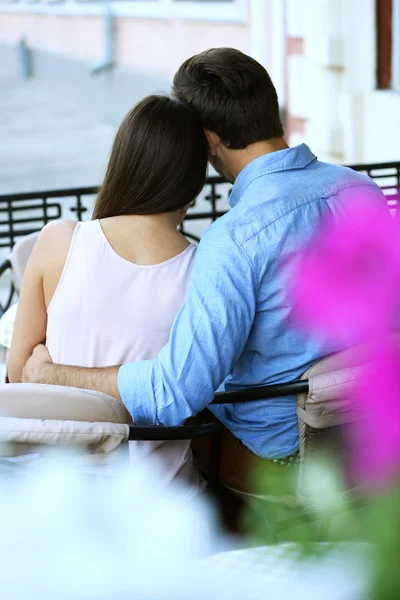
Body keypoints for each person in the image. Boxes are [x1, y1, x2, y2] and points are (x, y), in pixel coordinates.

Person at [21, 48, 389, 493]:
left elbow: (172, 395)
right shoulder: (363, 191)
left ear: (209, 141)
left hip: (286, 463)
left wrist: (52, 375)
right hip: (374, 436)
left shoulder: (233, 240)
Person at [8, 94, 208, 491]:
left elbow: (19, 376)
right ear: (193, 183)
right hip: (161, 499)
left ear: (123, 163)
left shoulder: (58, 241)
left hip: (55, 486)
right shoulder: (204, 270)